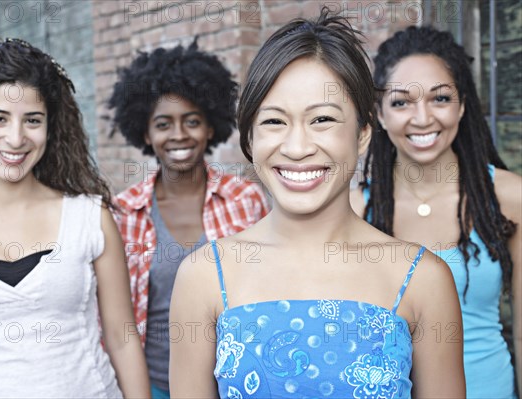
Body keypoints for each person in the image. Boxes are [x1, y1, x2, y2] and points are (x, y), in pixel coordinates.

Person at [169, 9, 465, 398]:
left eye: (322, 119)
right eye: (274, 122)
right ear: (251, 139)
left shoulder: (423, 278)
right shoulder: (205, 275)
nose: (297, 147)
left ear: (361, 135)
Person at [0, 38, 150, 398]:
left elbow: (123, 340)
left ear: (49, 126)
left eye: (32, 120)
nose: (15, 138)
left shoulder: (89, 217)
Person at [351, 25, 521, 398]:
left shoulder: (509, 196)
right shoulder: (354, 210)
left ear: (461, 105)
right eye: (401, 102)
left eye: (440, 98)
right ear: (378, 114)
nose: (423, 118)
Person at [108, 39, 269, 398]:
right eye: (163, 124)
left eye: (192, 121)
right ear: (146, 134)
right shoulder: (123, 213)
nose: (179, 134)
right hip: (154, 384)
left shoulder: (247, 199)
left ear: (210, 126)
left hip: (237, 380)